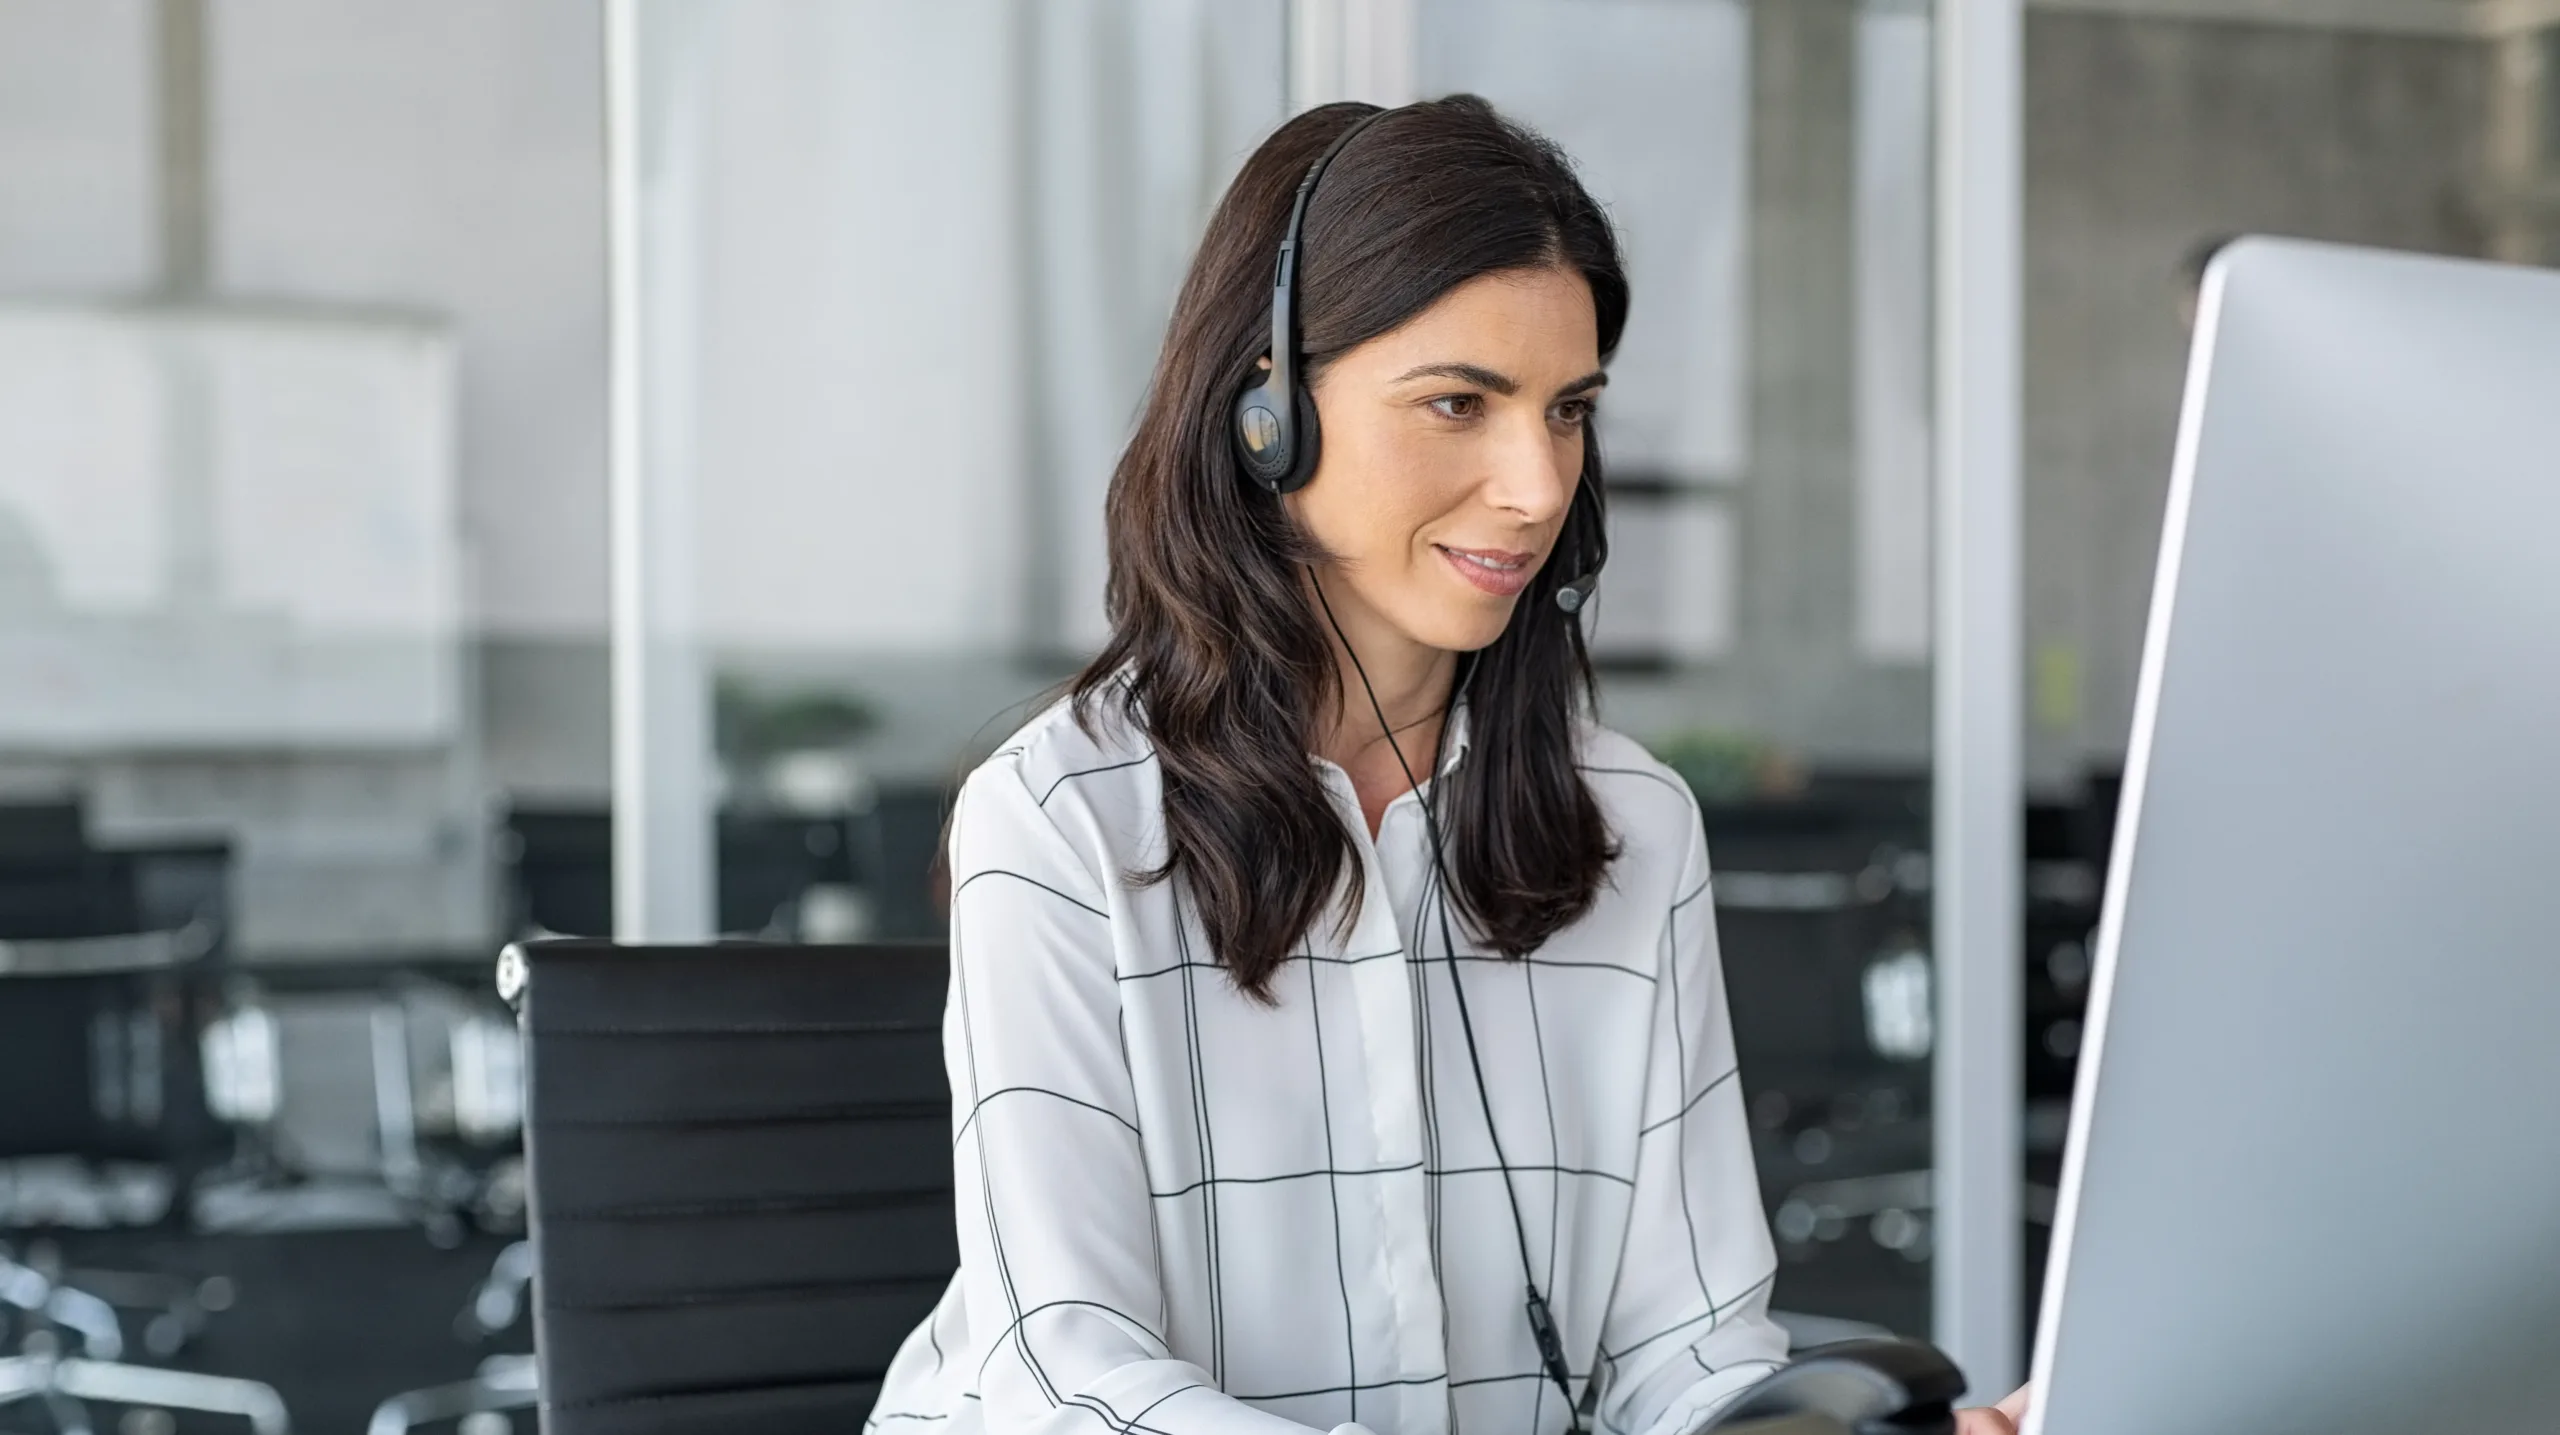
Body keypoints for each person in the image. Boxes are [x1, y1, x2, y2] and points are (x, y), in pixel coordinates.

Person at [869, 96, 2030, 1435]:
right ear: (1267, 415)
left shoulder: (1629, 827)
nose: (1538, 484)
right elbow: (1069, 1373)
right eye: (1459, 403)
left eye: (1568, 410)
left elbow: (1688, 1348)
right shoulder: (1061, 818)